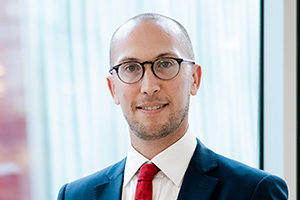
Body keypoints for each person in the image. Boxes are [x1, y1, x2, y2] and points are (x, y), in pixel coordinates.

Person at [57, 13, 288, 200]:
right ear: (112, 89)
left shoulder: (254, 192)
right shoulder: (76, 195)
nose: (149, 86)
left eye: (165, 64)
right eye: (131, 67)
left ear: (194, 79)